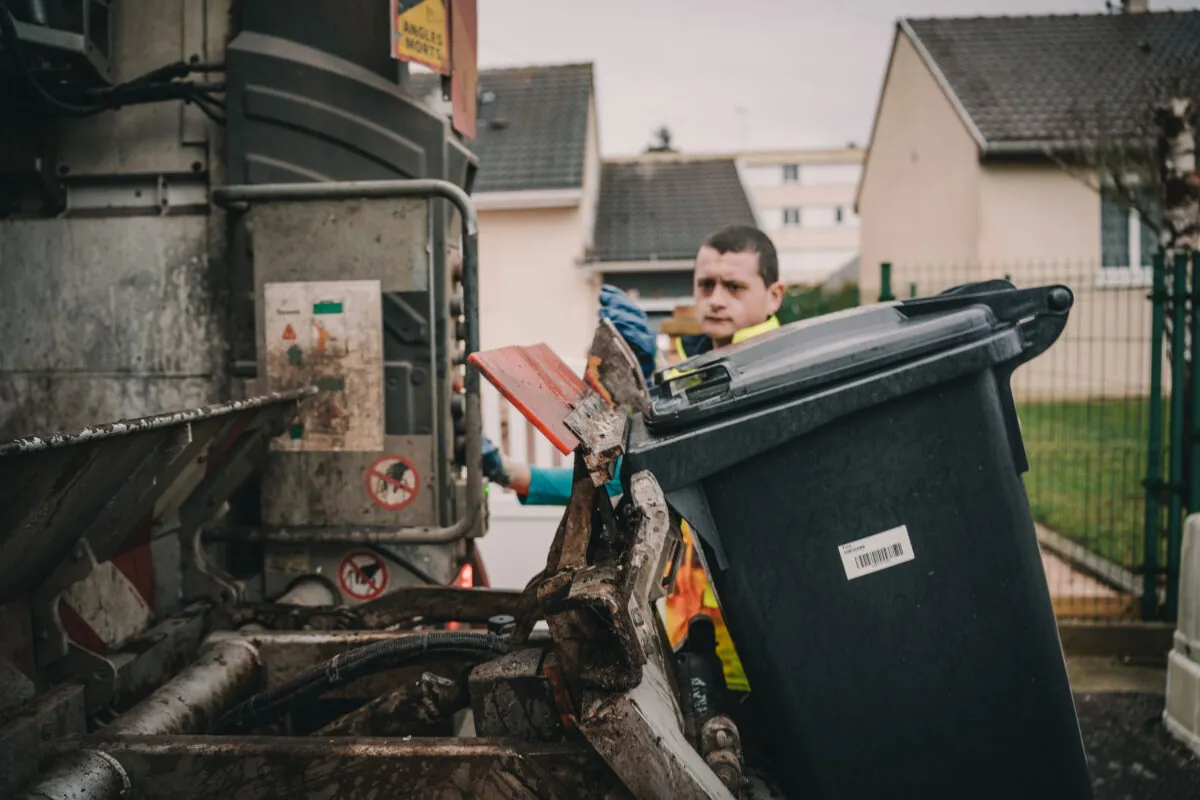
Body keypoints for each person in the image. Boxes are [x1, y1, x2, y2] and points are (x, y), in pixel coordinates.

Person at [483, 223, 785, 696]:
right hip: (703, 629)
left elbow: (660, 469)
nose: (717, 298)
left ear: (775, 295)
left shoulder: (772, 373)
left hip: (761, 633)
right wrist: (517, 475)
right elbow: (632, 475)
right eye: (706, 285)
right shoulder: (694, 373)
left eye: (734, 286)